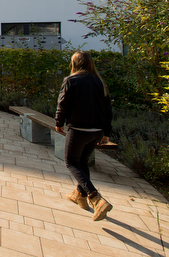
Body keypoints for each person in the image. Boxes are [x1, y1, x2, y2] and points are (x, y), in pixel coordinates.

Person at [55, 50, 113, 221]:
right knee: (82, 162)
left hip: (79, 130)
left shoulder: (71, 80)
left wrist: (58, 122)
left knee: (71, 162)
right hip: (96, 132)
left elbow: (62, 103)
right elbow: (108, 110)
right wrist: (106, 133)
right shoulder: (100, 82)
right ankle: (79, 196)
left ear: (75, 64)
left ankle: (95, 198)